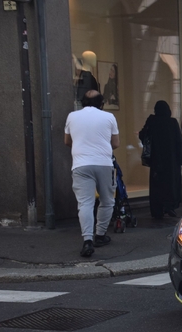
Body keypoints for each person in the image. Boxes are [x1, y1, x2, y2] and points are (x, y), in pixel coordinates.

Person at [64, 90, 119, 257]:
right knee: (107, 200)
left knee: (85, 204)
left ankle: (87, 240)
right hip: (104, 163)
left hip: (81, 164)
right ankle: (100, 235)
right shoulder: (109, 117)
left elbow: (67, 141)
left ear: (82, 102)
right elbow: (115, 143)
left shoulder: (72, 116)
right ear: (101, 103)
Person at [139, 100, 182, 218]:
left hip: (156, 159)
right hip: (171, 160)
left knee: (157, 185)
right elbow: (179, 142)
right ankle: (170, 206)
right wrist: (180, 159)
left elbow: (142, 135)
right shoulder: (172, 122)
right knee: (170, 184)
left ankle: (157, 210)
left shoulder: (152, 121)